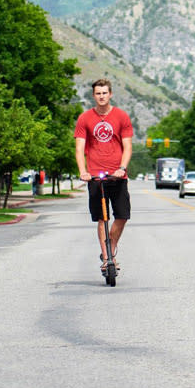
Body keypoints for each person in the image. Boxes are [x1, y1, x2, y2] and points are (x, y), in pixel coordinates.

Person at [74, 79, 133, 272]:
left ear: (110, 94)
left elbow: (127, 146)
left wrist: (122, 167)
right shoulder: (84, 119)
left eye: (104, 93)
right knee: (102, 218)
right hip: (95, 178)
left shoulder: (121, 116)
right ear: (93, 96)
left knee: (122, 216)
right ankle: (107, 259)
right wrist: (83, 172)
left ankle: (112, 246)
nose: (101, 96)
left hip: (117, 176)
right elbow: (79, 148)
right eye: (98, 93)